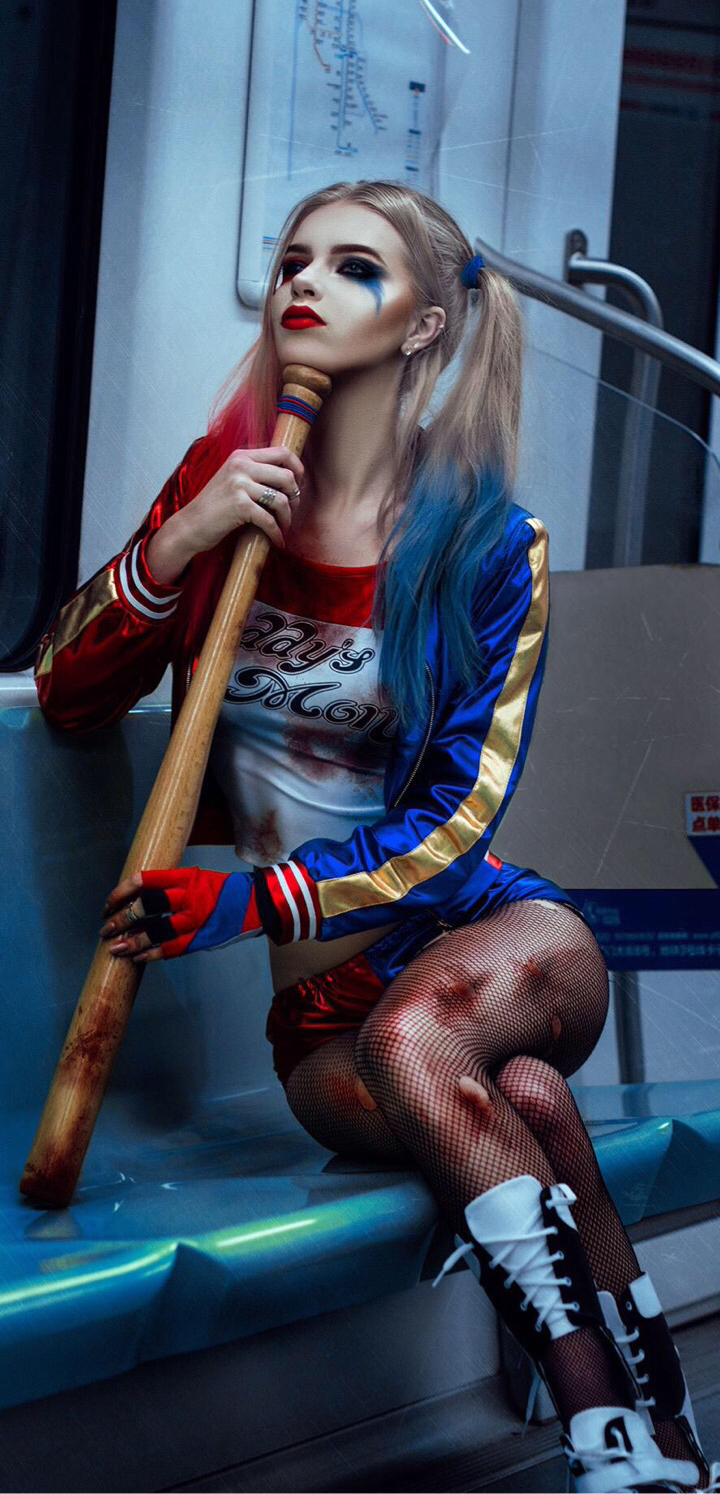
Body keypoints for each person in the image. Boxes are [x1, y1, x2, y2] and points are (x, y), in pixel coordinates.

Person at [36, 180, 712, 1493]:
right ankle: (669, 1431)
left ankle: (600, 1434)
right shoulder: (222, 496)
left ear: (424, 325)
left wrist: (249, 903)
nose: (306, 282)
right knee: (519, 1099)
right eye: (295, 258)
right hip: (322, 1022)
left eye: (356, 268)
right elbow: (68, 693)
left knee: (424, 1037)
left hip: (496, 941)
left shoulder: (491, 544)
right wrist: (182, 538)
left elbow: (457, 821)